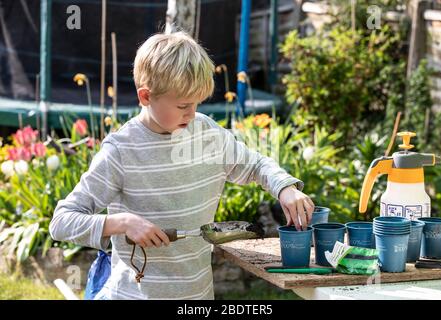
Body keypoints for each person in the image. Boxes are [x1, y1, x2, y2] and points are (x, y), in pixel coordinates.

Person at [49, 30, 315, 300]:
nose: (192, 113)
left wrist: (285, 188)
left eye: (197, 102)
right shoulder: (121, 151)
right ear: (146, 97)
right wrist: (122, 223)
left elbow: (256, 165)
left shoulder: (206, 134)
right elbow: (62, 222)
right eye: (183, 105)